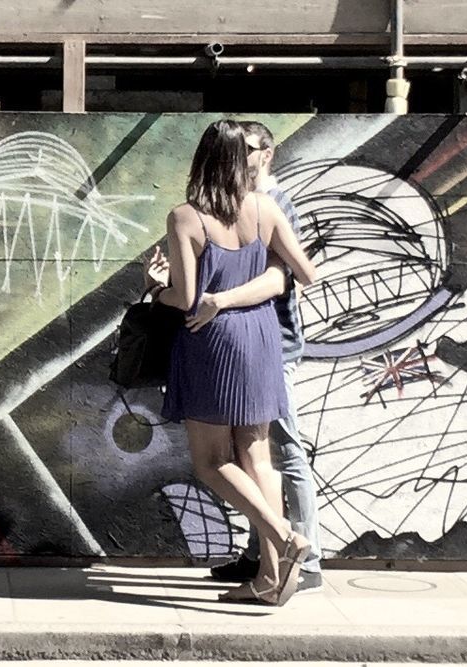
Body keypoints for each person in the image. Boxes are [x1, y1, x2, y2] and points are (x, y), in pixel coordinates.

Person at [144, 119, 318, 606]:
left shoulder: (185, 218)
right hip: (263, 337)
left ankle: (284, 537)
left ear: (201, 160)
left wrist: (155, 285)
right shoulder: (264, 209)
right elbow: (305, 272)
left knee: (211, 461)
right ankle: (269, 578)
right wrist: (270, 265)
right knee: (258, 456)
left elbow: (187, 296)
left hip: (212, 341)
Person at [205, 121, 324, 594]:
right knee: (251, 453)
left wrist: (221, 299)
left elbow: (286, 277)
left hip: (275, 342)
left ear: (267, 154)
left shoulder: (277, 204)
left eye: (249, 150)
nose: (241, 157)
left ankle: (307, 557)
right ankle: (262, 555)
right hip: (252, 343)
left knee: (285, 450)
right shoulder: (238, 204)